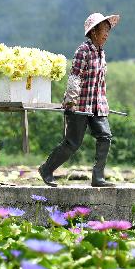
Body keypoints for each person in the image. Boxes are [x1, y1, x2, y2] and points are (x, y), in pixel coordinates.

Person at [38, 12, 120, 188]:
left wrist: (104, 102)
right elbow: (75, 77)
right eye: (103, 30)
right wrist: (70, 102)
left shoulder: (101, 53)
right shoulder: (83, 51)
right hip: (80, 105)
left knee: (105, 136)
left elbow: (100, 82)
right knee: (72, 143)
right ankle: (46, 169)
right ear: (93, 32)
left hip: (97, 105)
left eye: (108, 30)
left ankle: (98, 178)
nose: (106, 34)